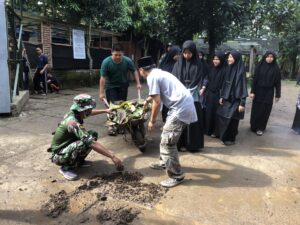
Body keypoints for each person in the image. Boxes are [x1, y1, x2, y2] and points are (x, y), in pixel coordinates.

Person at [138, 56, 197, 188]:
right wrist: (148, 99)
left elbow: (157, 102)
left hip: (180, 108)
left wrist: (152, 121)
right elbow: (156, 94)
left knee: (168, 143)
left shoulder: (151, 77)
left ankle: (177, 175)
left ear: (141, 70)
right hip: (183, 105)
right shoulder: (159, 72)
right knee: (166, 136)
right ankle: (164, 162)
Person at [48, 94, 124, 181]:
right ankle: (65, 168)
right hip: (59, 155)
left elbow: (90, 113)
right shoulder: (73, 123)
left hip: (67, 145)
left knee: (93, 134)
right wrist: (112, 156)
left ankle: (78, 162)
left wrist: (106, 110)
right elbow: (91, 143)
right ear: (83, 110)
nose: (90, 111)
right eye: (89, 109)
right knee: (83, 143)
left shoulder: (76, 112)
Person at [99, 43, 142, 135]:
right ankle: (111, 126)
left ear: (123, 54)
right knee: (112, 106)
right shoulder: (106, 62)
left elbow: (134, 71)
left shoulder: (127, 61)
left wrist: (138, 83)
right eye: (116, 55)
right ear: (111, 53)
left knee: (122, 105)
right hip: (111, 86)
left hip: (123, 86)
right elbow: (102, 78)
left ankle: (120, 125)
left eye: (120, 55)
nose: (118, 57)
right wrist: (101, 92)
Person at [172, 40, 207, 152]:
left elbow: (198, 79)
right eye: (185, 53)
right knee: (180, 119)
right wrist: (182, 91)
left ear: (193, 52)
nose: (187, 55)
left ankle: (192, 145)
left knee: (192, 121)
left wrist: (189, 90)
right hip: (180, 96)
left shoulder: (198, 64)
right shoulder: (178, 64)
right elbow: (174, 79)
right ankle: (181, 144)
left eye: (189, 53)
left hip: (193, 96)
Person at [216, 50, 248, 145]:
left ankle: (231, 139)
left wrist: (242, 103)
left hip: (236, 99)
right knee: (223, 116)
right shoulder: (228, 68)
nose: (229, 59)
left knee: (233, 119)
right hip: (226, 98)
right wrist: (222, 96)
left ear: (236, 58)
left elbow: (243, 88)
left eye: (231, 57)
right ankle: (224, 137)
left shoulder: (240, 72)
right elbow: (224, 84)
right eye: (229, 57)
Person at [250, 50, 281, 136]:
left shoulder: (276, 68)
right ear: (265, 57)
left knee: (265, 109)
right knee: (256, 108)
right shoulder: (259, 66)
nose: (269, 59)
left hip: (269, 92)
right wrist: (252, 91)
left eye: (271, 57)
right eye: (268, 56)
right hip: (258, 90)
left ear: (274, 58)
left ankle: (260, 127)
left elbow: (278, 82)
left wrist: (277, 95)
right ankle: (253, 125)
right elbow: (255, 80)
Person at [205, 52, 227, 137]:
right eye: (214, 59)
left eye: (217, 59)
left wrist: (222, 96)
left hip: (219, 94)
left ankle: (216, 132)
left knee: (217, 114)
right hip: (210, 93)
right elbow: (207, 79)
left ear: (221, 60)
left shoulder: (225, 70)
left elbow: (225, 84)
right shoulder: (211, 68)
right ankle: (208, 130)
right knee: (209, 112)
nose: (215, 61)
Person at [159, 45, 181, 122]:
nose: (178, 56)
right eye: (176, 54)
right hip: (166, 89)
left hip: (176, 89)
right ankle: (166, 120)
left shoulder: (179, 64)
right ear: (172, 54)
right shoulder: (165, 64)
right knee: (166, 106)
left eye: (179, 54)